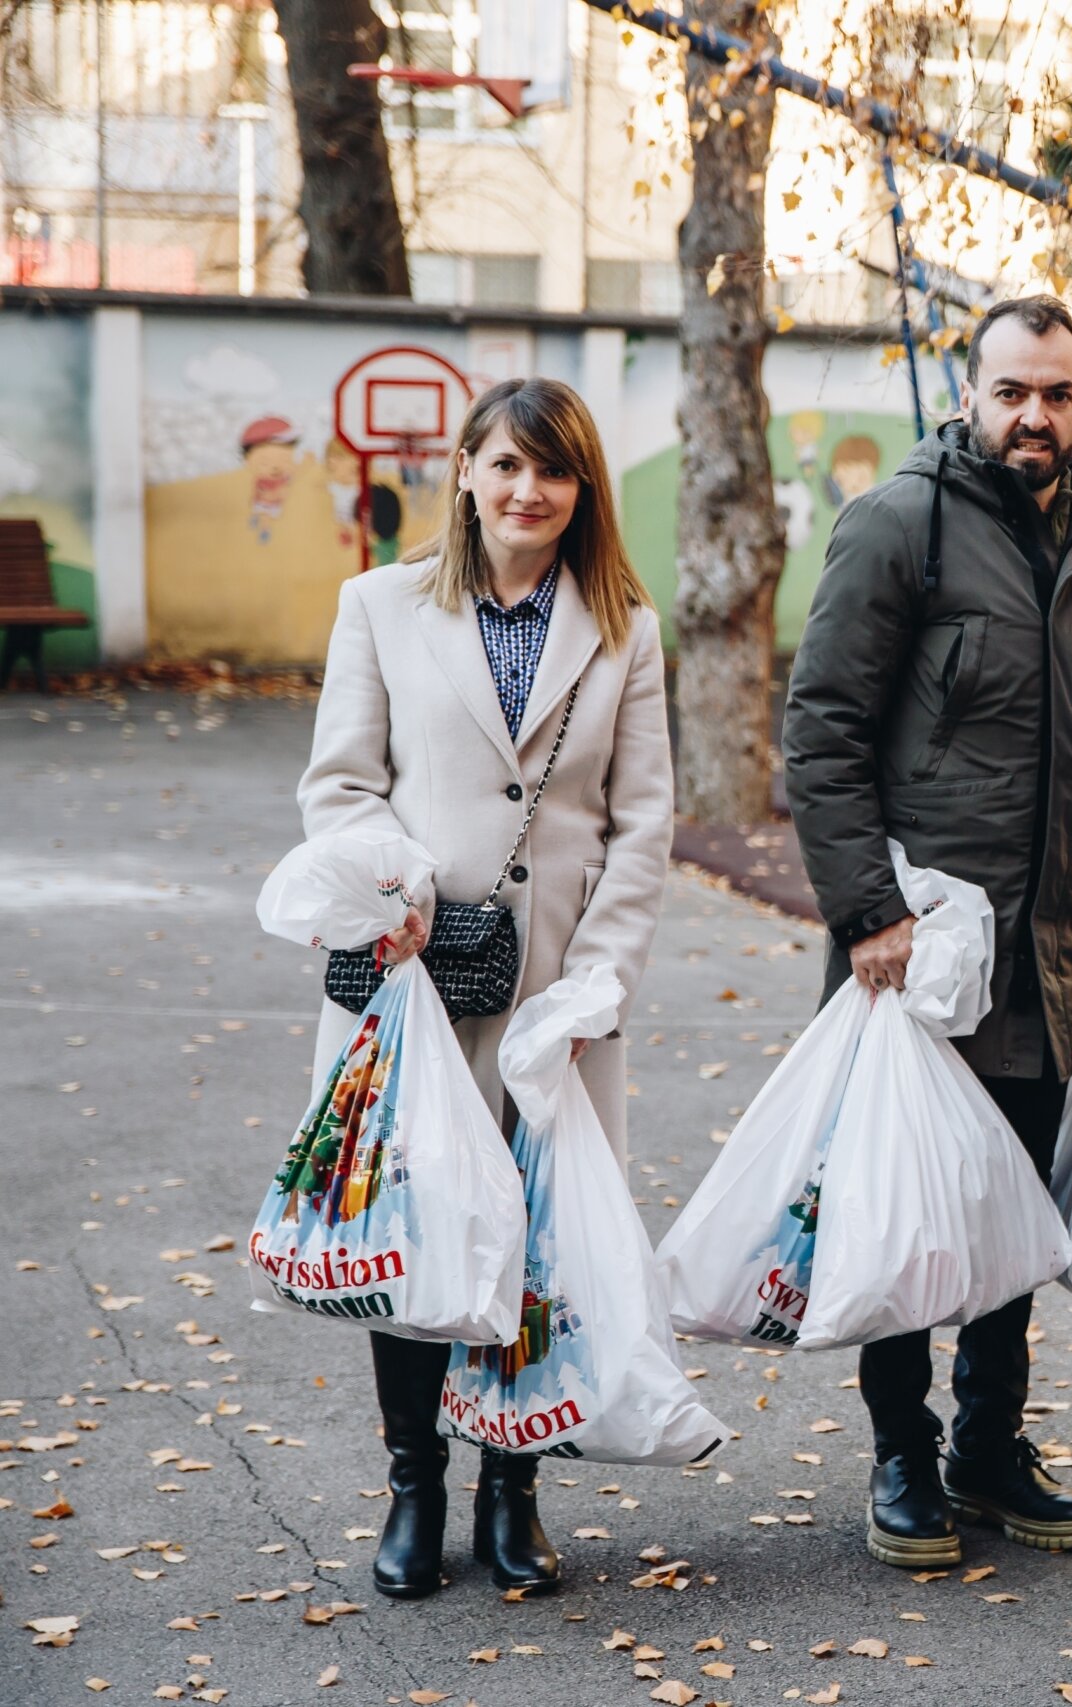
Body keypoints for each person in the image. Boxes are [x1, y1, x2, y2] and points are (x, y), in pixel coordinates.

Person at [783, 294, 1072, 1569]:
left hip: (1049, 950)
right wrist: (867, 915)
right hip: (924, 947)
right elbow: (823, 730)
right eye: (1012, 391)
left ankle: (989, 1449)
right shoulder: (900, 521)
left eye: (1057, 393)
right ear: (969, 392)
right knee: (905, 1209)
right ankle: (903, 1451)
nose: (1034, 416)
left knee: (1012, 1214)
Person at [298, 376, 673, 1601]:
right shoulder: (382, 606)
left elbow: (642, 824)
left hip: (557, 994)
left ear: (582, 490)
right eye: (507, 465)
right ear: (465, 469)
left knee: (533, 1239)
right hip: (413, 977)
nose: (529, 491)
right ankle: (415, 1486)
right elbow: (340, 784)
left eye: (553, 472)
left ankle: (513, 1486)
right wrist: (392, 881)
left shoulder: (625, 624)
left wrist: (594, 988)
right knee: (416, 1228)